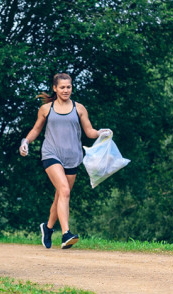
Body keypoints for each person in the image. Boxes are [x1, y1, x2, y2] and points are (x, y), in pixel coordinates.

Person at [19, 73, 111, 249]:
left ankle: (47, 228)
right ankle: (66, 234)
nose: (66, 90)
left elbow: (89, 131)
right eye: (62, 87)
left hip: (73, 157)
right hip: (51, 154)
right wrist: (25, 142)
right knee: (64, 191)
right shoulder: (47, 109)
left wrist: (101, 133)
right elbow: (36, 129)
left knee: (61, 195)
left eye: (68, 87)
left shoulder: (79, 108)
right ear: (55, 88)